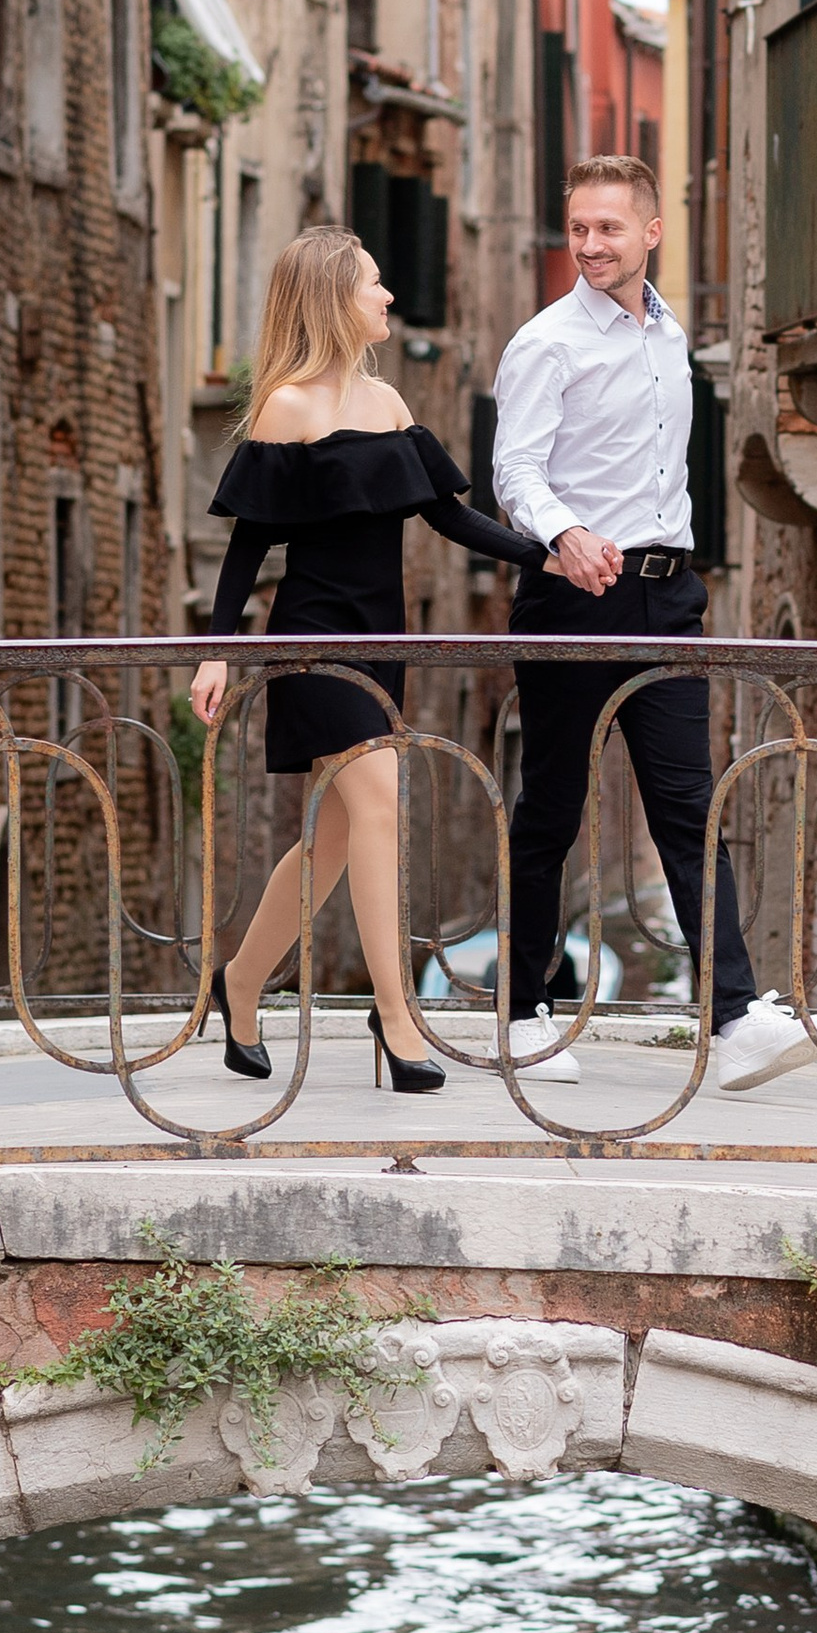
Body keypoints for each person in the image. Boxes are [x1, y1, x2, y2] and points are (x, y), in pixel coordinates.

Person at [189, 227, 542, 1094]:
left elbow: (449, 517)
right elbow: (248, 547)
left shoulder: (387, 402)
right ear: (332, 299)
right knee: (383, 801)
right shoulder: (287, 407)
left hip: (383, 643)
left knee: (334, 842)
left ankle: (239, 982)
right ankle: (396, 1015)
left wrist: (549, 555)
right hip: (313, 641)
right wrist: (216, 654)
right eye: (374, 284)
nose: (388, 297)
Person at [488, 155, 810, 1093]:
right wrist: (566, 532)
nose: (590, 245)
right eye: (579, 229)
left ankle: (735, 1016)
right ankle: (522, 1012)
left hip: (670, 598)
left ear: (651, 233)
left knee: (688, 804)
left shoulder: (670, 336)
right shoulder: (546, 343)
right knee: (552, 806)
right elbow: (514, 471)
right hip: (572, 597)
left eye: (609, 228)